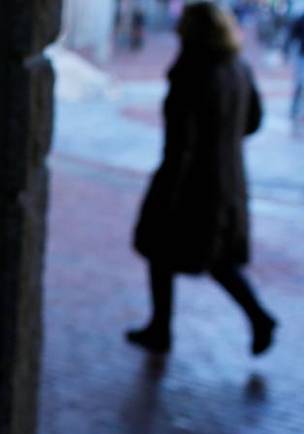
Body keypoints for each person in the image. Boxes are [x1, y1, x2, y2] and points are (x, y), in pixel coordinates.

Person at [128, 2, 277, 355]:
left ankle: (163, 328)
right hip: (228, 177)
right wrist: (224, 138)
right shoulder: (239, 67)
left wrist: (169, 187)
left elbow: (181, 138)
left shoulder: (191, 70)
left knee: (165, 251)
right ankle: (255, 317)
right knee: (217, 259)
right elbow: (253, 121)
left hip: (192, 183)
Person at [287, 11, 304, 131]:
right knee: (299, 83)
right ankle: (295, 109)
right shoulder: (301, 18)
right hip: (302, 56)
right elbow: (293, 34)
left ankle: (295, 109)